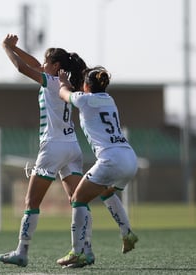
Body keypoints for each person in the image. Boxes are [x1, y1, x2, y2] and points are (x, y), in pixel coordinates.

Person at [0, 34, 88, 267]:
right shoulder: (69, 83)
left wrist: (7, 48)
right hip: (72, 147)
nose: (43, 65)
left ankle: (22, 251)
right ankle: (84, 250)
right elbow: (36, 64)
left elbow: (21, 68)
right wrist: (16, 47)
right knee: (78, 200)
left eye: (48, 62)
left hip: (53, 147)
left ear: (56, 66)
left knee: (31, 201)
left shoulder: (51, 81)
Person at [56, 66, 139, 268]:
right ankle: (127, 232)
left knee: (78, 199)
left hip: (111, 159)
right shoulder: (110, 100)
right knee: (107, 193)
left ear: (86, 86)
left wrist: (63, 82)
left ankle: (77, 252)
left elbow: (63, 94)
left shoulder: (85, 100)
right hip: (129, 158)